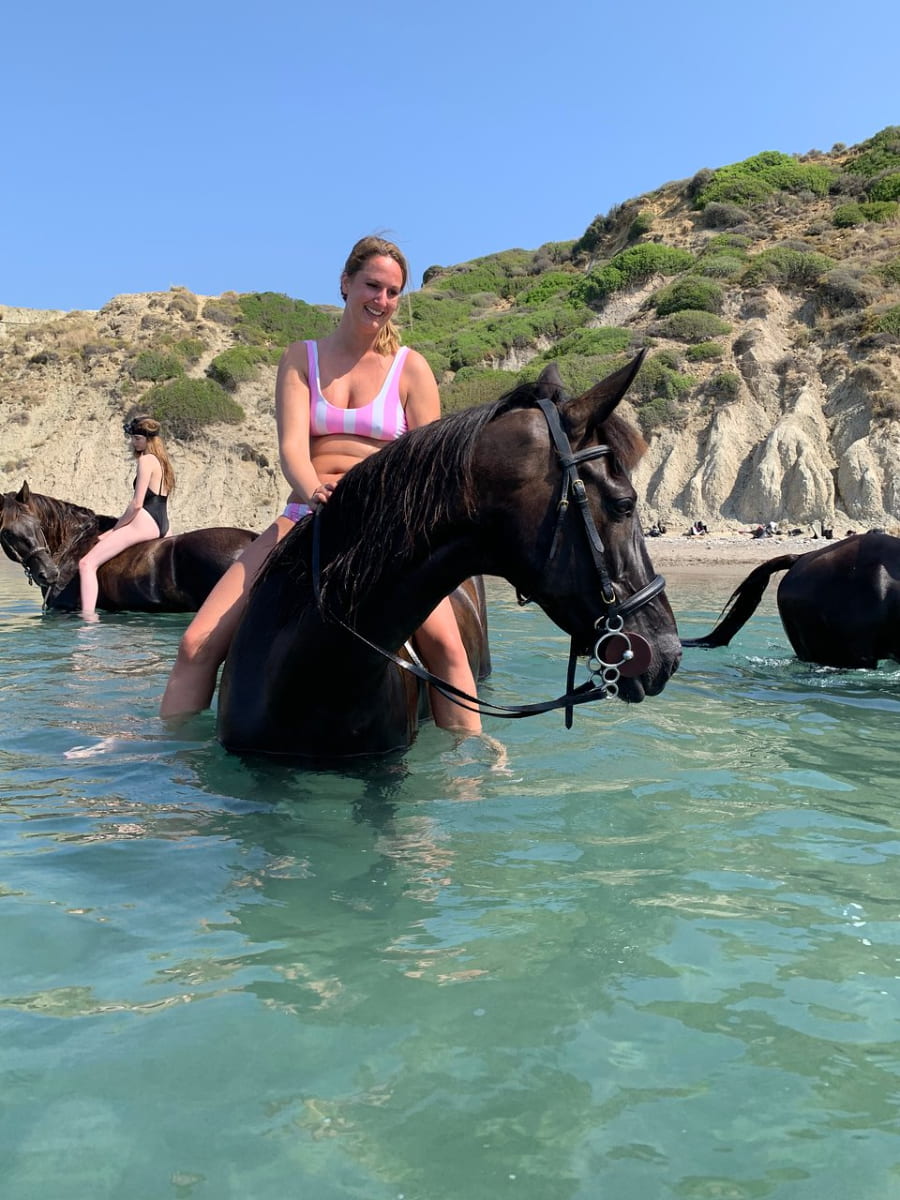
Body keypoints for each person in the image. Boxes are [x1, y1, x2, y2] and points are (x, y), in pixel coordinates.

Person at [159, 235, 482, 733]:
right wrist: (313, 491)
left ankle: (472, 770)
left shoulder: (410, 368)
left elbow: (425, 464)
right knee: (195, 644)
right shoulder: (300, 358)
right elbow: (291, 447)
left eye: (393, 292)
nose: (382, 300)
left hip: (383, 525)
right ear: (345, 283)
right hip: (306, 514)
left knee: (448, 650)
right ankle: (169, 763)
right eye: (373, 285)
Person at [78, 415, 174, 617]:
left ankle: (87, 621)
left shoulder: (146, 460)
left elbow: (137, 504)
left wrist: (114, 529)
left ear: (148, 440)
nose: (133, 442)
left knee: (86, 564)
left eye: (136, 438)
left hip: (145, 521)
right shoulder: (163, 462)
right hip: (163, 523)